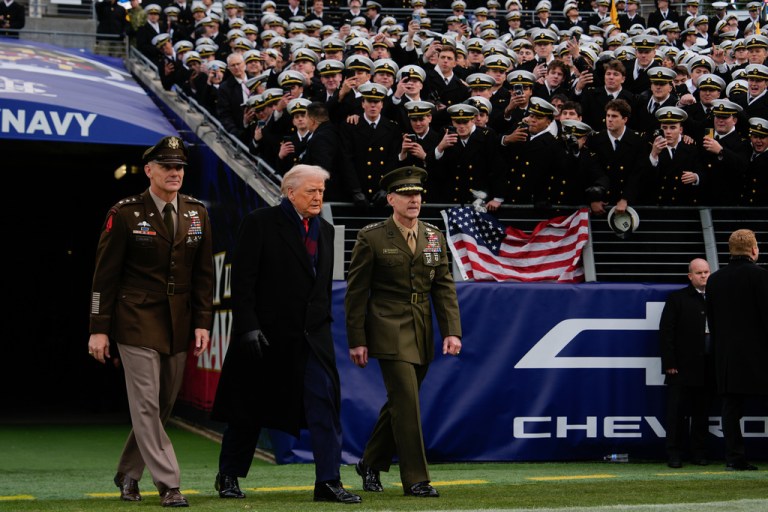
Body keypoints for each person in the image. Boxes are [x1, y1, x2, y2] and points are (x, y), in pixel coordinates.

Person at [210, 165, 362, 504]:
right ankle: (229, 475)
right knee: (247, 410)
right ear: (290, 192)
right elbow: (243, 282)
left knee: (324, 406)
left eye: (321, 191)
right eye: (312, 191)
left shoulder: (325, 230)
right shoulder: (260, 222)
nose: (318, 197)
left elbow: (321, 287)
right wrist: (248, 327)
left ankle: (328, 481)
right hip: (263, 336)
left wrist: (323, 326)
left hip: (312, 339)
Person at [87, 135, 214, 508]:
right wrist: (99, 328)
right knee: (145, 404)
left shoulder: (197, 212)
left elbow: (204, 273)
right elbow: (103, 278)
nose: (175, 173)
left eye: (180, 168)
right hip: (135, 319)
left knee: (160, 405)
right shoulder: (125, 212)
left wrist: (203, 322)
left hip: (179, 320)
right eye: (167, 167)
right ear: (149, 171)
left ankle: (128, 472)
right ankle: (169, 484)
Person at [345, 166, 462, 499]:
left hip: (421, 325)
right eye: (407, 194)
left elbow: (444, 287)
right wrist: (358, 339)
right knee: (408, 405)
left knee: (400, 403)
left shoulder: (433, 236)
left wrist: (451, 331)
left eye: (418, 194)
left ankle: (369, 462)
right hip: (387, 326)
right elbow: (356, 293)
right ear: (391, 199)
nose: (414, 200)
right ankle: (416, 479)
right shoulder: (372, 236)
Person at [706, 229, 768, 471]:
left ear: (730, 250)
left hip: (727, 357)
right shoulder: (761, 276)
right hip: (760, 356)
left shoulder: (715, 279)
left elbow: (711, 318)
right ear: (754, 250)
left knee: (731, 408)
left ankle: (733, 457)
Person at [659, 258, 716, 469]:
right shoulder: (677, 298)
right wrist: (670, 362)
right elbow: (666, 333)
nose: (703, 276)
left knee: (702, 412)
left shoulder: (717, 298)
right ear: (690, 276)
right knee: (676, 413)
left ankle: (699, 453)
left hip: (708, 366)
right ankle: (674, 453)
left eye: (706, 272)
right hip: (681, 367)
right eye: (699, 272)